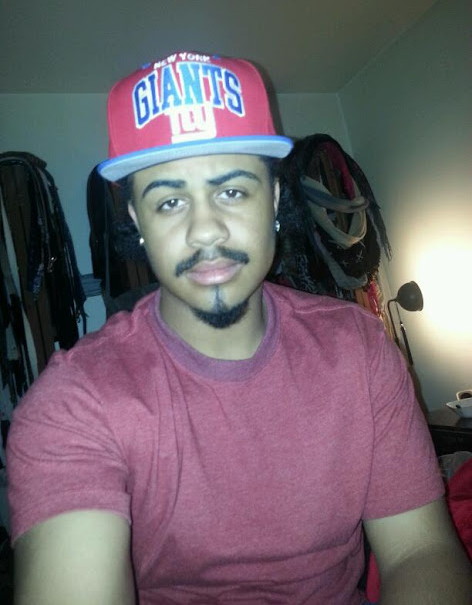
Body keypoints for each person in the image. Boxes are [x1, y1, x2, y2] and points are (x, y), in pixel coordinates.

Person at [7, 51, 471, 605]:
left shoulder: (360, 348)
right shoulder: (73, 402)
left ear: (273, 198)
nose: (205, 230)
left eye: (231, 191)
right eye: (170, 200)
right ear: (136, 220)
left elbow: (419, 551)